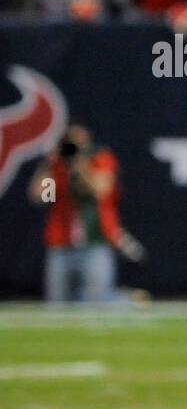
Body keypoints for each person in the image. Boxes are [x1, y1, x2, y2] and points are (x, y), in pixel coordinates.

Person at [27, 123, 122, 303]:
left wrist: (80, 167)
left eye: (79, 142)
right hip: (61, 246)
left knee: (97, 306)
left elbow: (100, 190)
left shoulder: (101, 160)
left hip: (95, 244)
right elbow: (41, 196)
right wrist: (49, 164)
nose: (75, 147)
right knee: (58, 307)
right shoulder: (58, 166)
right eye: (70, 142)